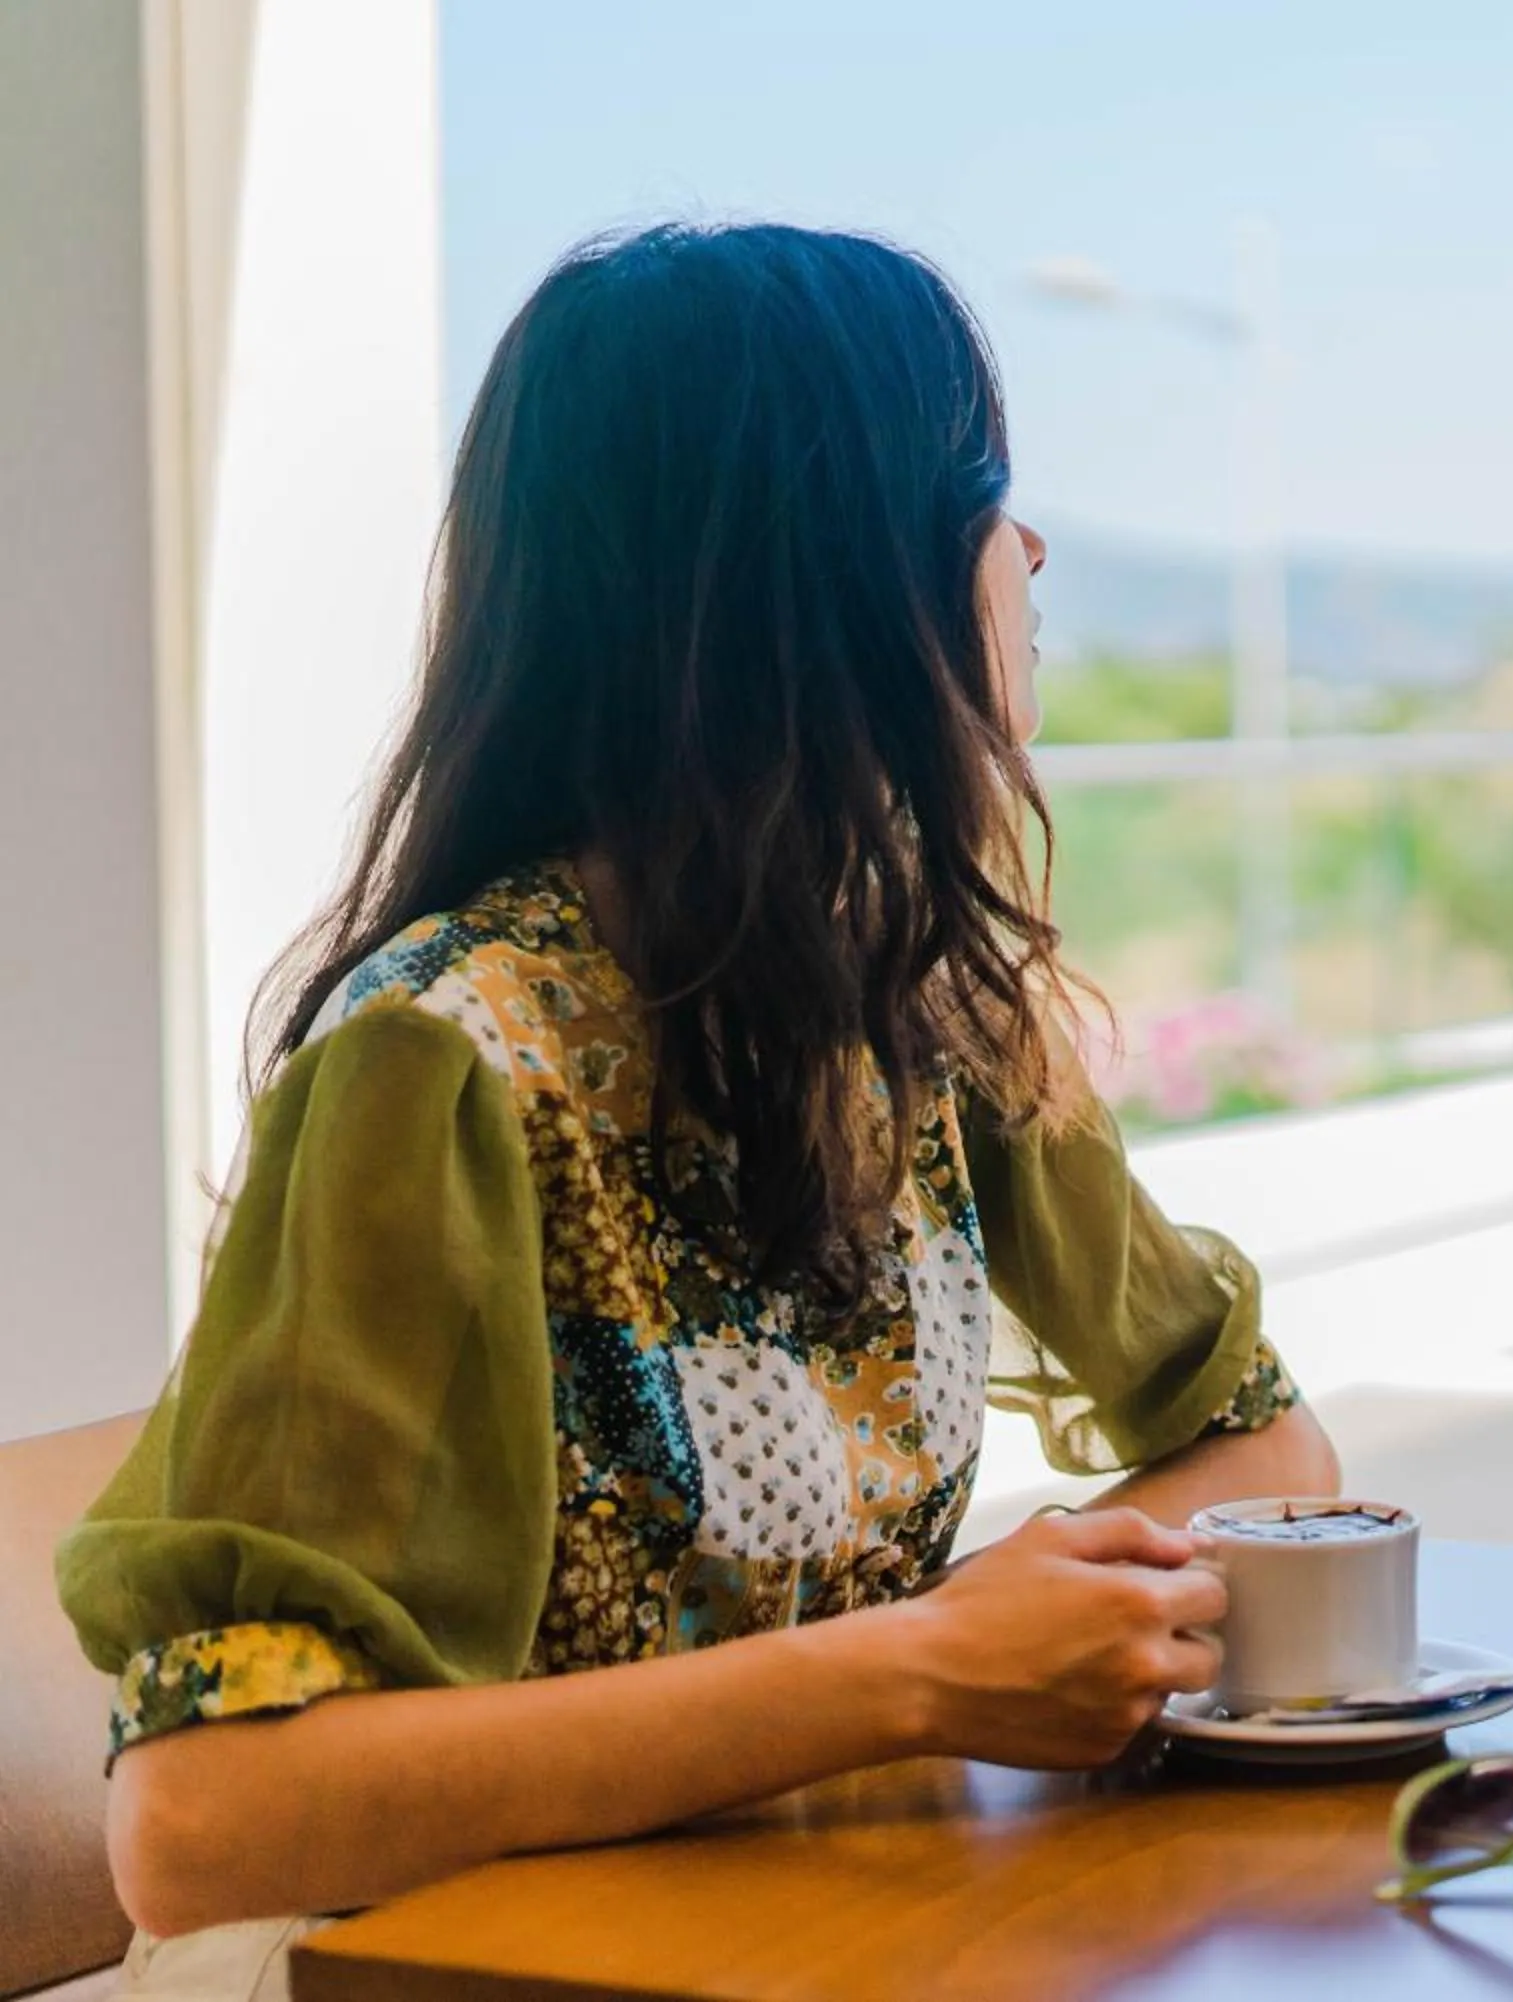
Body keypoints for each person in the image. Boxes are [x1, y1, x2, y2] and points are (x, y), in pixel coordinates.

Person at [56, 221, 1339, 1992]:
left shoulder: (936, 1010)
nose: (1030, 546)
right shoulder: (436, 1061)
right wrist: (918, 1669)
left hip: (777, 1930)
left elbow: (1273, 1453)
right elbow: (205, 1825)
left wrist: (1037, 1611)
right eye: (980, 487)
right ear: (830, 568)